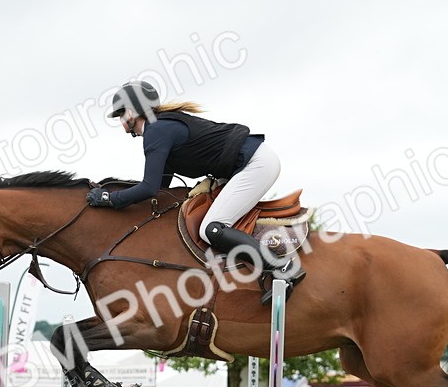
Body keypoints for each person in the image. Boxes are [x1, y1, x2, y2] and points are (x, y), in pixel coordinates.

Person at [86, 80, 298, 285]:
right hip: (247, 163)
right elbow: (160, 189)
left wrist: (109, 198)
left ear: (132, 112)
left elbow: (149, 187)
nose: (121, 120)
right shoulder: (160, 128)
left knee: (211, 229)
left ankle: (282, 267)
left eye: (121, 113)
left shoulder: (157, 131)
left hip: (255, 164)